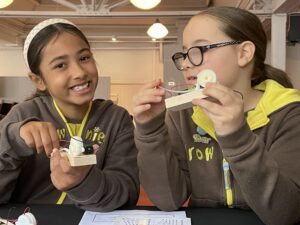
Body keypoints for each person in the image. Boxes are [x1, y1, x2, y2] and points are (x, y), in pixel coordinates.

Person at [132, 6, 300, 225]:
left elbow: (285, 214)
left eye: (200, 49)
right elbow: (168, 201)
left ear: (244, 53)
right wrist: (150, 130)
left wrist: (237, 137)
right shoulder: (182, 114)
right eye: (184, 52)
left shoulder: (287, 113)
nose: (185, 63)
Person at [0, 18, 139, 212]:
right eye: (60, 65)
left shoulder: (115, 119)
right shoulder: (24, 116)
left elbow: (127, 193)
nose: (80, 72)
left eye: (84, 58)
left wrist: (83, 181)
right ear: (38, 80)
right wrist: (13, 139)